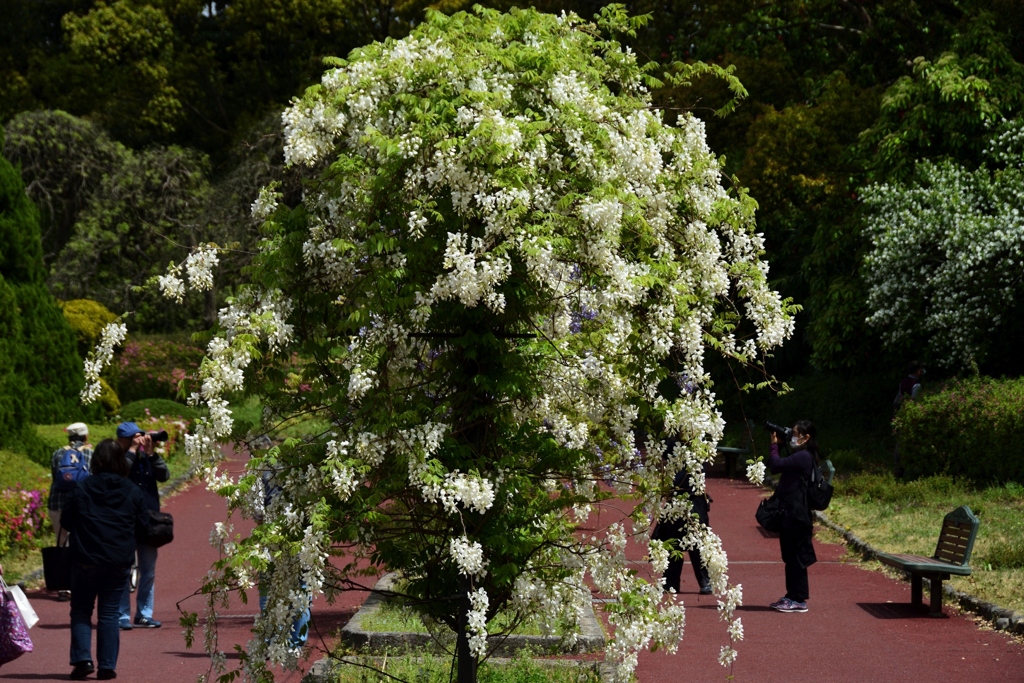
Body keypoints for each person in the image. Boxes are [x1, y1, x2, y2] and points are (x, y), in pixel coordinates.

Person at [61, 439, 148, 680]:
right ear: (121, 461)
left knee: (80, 610)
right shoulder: (132, 490)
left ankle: (82, 660)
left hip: (86, 559)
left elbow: (66, 522)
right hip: (118, 560)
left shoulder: (81, 488)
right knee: (109, 613)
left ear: (96, 461)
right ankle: (107, 666)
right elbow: (144, 526)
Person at [115, 422, 169, 630]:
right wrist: (130, 451)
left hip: (148, 520)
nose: (139, 440)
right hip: (124, 520)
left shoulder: (147, 457)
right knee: (123, 569)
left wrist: (152, 453)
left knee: (149, 570)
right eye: (133, 437)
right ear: (123, 440)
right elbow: (119, 473)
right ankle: (121, 614)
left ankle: (144, 614)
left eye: (140, 436)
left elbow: (164, 476)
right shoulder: (117, 457)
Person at [766, 420, 819, 613]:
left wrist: (774, 445)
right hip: (793, 514)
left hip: (797, 516)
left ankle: (798, 599)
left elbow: (775, 465)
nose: (792, 436)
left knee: (796, 558)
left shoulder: (804, 457)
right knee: (791, 557)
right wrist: (778, 445)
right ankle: (792, 596)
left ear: (806, 438)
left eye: (796, 434)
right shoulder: (801, 455)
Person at [653, 459, 713, 595]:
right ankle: (670, 582)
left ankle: (706, 580)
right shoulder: (671, 443)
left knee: (697, 540)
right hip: (675, 496)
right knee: (672, 539)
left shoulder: (696, 445)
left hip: (693, 496)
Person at [48, 423, 94, 601]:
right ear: (85, 436)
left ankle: (63, 586)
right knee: (82, 542)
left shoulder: (58, 454)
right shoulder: (90, 453)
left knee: (62, 542)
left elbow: (54, 476)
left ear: (68, 437)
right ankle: (81, 583)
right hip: (82, 504)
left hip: (57, 502)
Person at [893, 360, 925, 476]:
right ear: (918, 371)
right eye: (921, 369)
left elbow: (899, 396)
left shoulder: (903, 382)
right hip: (910, 416)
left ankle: (898, 468)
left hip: (901, 414)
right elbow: (915, 402)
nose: (923, 371)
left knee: (900, 442)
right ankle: (910, 469)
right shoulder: (917, 385)